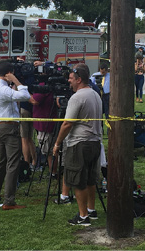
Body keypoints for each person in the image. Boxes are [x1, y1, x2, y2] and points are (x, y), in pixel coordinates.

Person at [53, 63, 102, 226]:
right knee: (90, 179)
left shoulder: (77, 97)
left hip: (80, 143)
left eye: (71, 79)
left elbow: (67, 124)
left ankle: (82, 216)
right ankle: (91, 209)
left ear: (79, 79)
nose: (69, 82)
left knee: (78, 179)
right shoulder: (95, 94)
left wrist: (58, 143)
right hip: (95, 142)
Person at [0, 60, 30, 210]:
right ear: (8, 74)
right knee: (13, 163)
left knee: (1, 160)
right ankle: (9, 200)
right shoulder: (4, 90)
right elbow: (25, 95)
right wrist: (16, 81)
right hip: (9, 127)